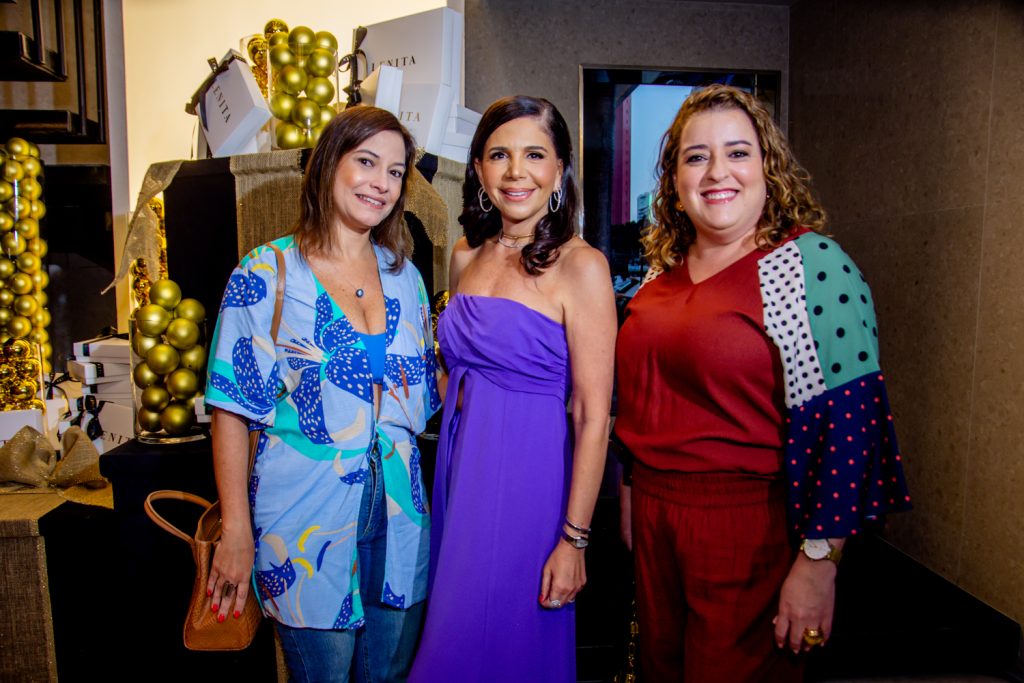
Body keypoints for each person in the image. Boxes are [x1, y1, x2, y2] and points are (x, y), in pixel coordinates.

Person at [614, 84, 911, 682]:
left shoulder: (810, 266)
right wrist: (632, 501)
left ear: (768, 168)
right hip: (653, 520)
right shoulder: (657, 280)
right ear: (673, 180)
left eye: (738, 152)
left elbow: (850, 429)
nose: (716, 171)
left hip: (747, 529)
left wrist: (819, 563)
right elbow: (639, 404)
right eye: (696, 157)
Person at [204, 106, 441, 683]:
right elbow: (230, 409)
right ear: (329, 164)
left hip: (401, 518)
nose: (380, 183)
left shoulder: (405, 275)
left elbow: (421, 397)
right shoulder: (268, 270)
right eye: (365, 162)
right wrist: (235, 530)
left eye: (394, 170)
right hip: (303, 522)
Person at [409, 96, 616, 683]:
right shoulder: (464, 255)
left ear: (558, 170)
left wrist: (574, 540)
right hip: (459, 469)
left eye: (534, 155)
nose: (515, 171)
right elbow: (454, 367)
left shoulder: (582, 267)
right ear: (478, 170)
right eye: (499, 155)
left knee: (508, 644)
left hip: (530, 479)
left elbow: (593, 415)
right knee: (453, 633)